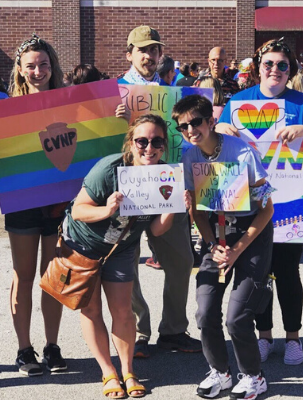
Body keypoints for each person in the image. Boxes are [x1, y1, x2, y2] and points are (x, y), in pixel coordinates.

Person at [215, 39, 303, 371]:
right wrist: (219, 128)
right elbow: (214, 146)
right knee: (257, 275)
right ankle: (264, 336)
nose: (275, 70)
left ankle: (293, 337)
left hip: (292, 204)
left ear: (290, 70)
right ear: (257, 67)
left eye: (282, 65)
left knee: (288, 273)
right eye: (269, 64)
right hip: (248, 204)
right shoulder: (237, 101)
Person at [64, 114, 190, 399]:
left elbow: (157, 230)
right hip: (85, 244)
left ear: (164, 145)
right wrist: (107, 210)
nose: (149, 148)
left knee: (122, 311)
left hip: (121, 248)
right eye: (142, 141)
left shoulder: (165, 174)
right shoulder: (110, 169)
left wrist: (172, 207)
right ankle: (108, 371)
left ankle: (128, 370)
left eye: (156, 141)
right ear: (131, 143)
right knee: (92, 309)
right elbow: (79, 211)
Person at [174, 94, 274, 400]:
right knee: (205, 312)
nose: (190, 130)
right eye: (183, 126)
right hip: (215, 236)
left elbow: (267, 208)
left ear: (211, 121)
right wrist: (210, 244)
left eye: (196, 122)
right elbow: (197, 212)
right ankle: (220, 371)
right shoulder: (190, 157)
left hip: (251, 233)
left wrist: (238, 249)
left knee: (237, 317)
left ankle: (254, 376)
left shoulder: (243, 152)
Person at [118, 25, 201, 359]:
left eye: (154, 50)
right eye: (143, 50)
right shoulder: (114, 92)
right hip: (128, 187)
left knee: (181, 261)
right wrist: (112, 120)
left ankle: (173, 330)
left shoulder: (173, 93)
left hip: (168, 183)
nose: (149, 56)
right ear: (130, 54)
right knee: (126, 264)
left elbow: (189, 135)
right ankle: (139, 329)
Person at [6, 34, 68, 377]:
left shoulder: (69, 102)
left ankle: (52, 345)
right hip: (22, 200)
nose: (38, 70)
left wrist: (114, 116)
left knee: (52, 276)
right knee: (23, 275)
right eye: (30, 65)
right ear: (20, 69)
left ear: (51, 66)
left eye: (43, 64)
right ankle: (24, 349)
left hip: (58, 200)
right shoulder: (5, 108)